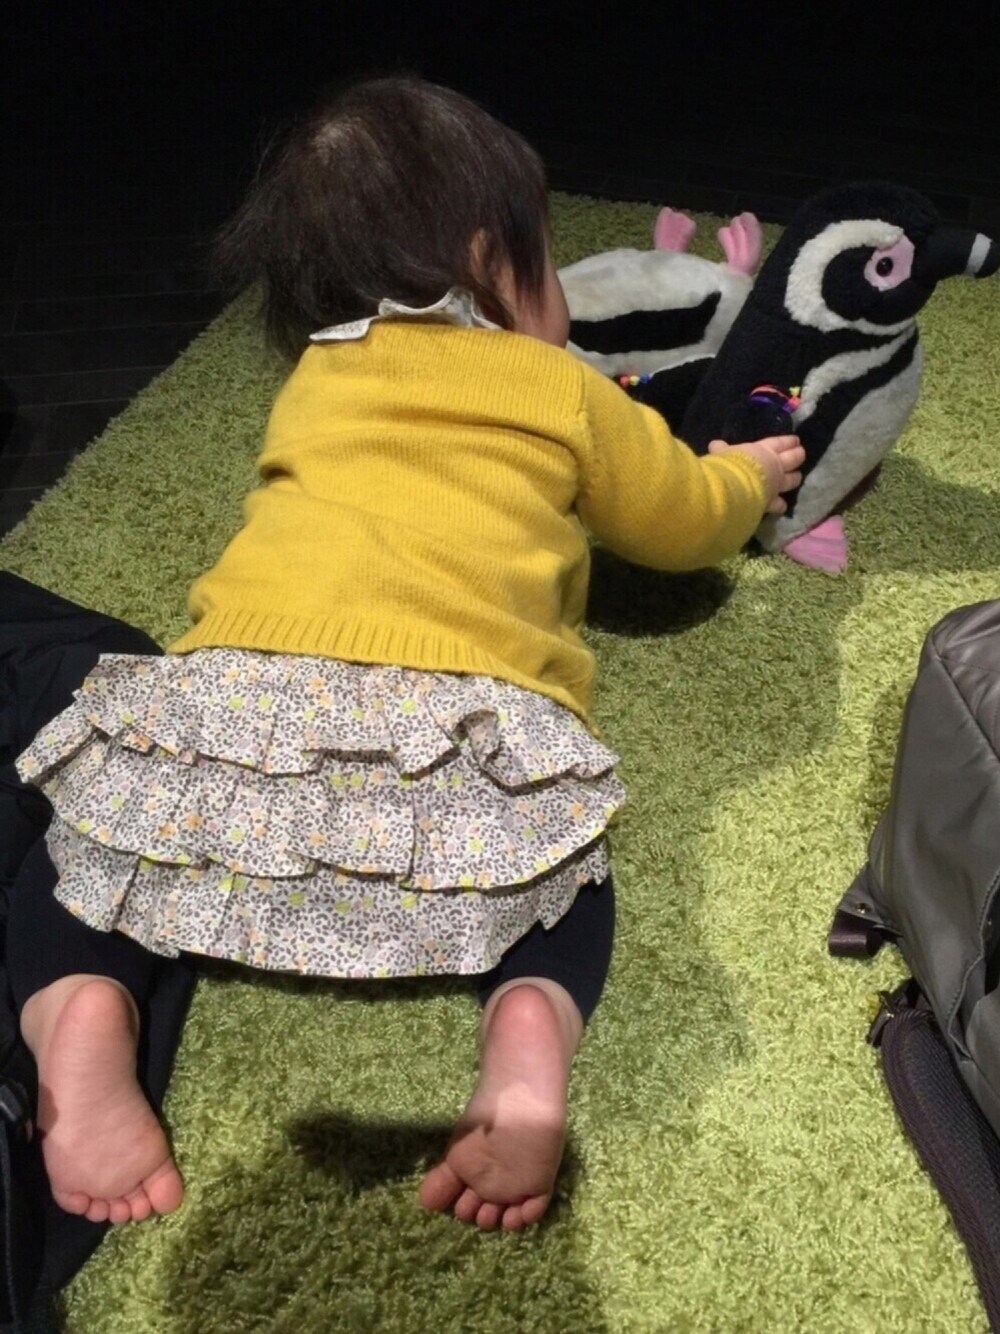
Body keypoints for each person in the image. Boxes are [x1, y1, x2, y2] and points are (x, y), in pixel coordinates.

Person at [14, 75, 804, 1234]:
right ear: (491, 262)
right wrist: (742, 476)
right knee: (564, 882)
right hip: (458, 722)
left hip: (240, 698)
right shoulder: (561, 388)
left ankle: (80, 1004)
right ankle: (528, 1024)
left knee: (93, 851)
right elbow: (675, 524)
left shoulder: (316, 379)